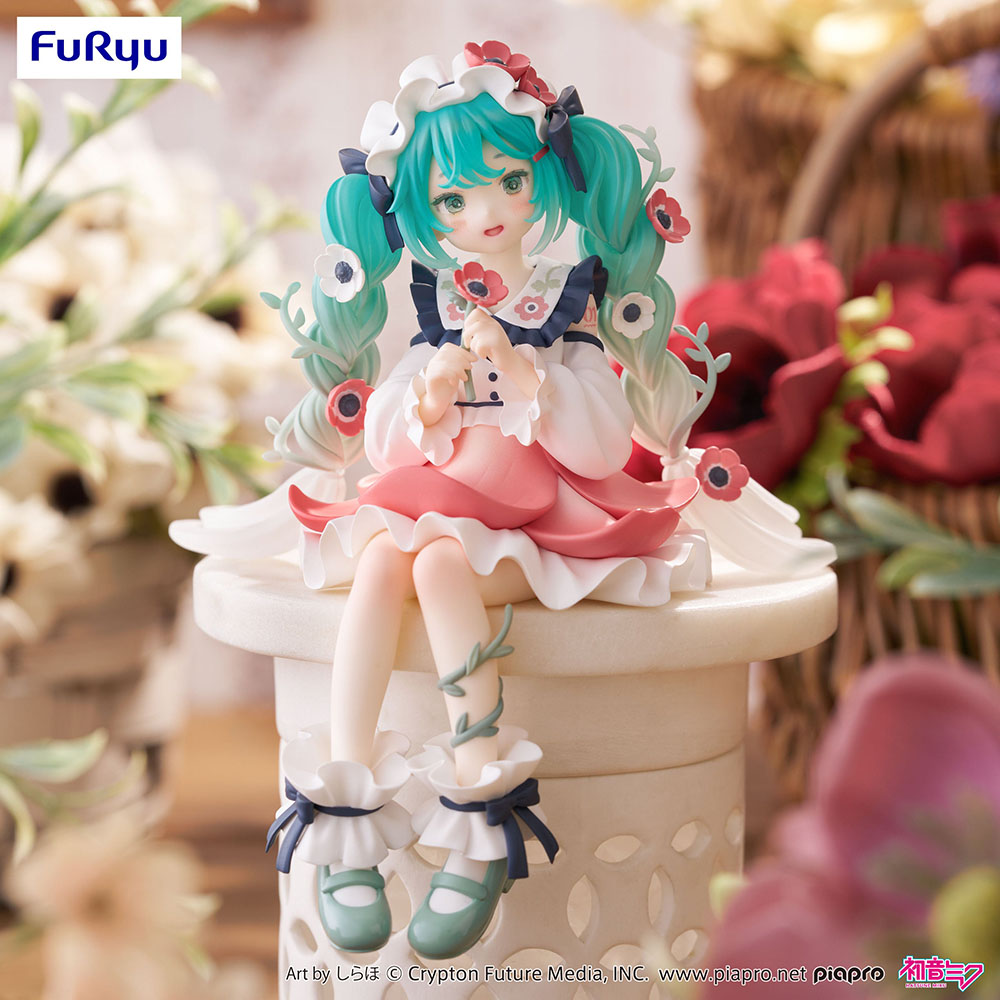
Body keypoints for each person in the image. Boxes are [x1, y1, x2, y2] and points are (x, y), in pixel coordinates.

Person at [170, 40, 830, 961]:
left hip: (535, 503)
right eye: (453, 200)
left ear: (541, 181)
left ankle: (481, 812)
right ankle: (343, 807)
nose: (484, 214)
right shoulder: (439, 301)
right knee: (383, 561)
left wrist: (530, 380)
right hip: (445, 487)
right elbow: (390, 442)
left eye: (508, 183)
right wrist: (428, 395)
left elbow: (602, 439)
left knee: (440, 561)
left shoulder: (565, 298)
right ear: (423, 211)